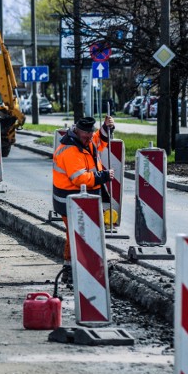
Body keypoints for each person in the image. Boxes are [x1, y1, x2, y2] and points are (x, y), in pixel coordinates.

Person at [52, 116, 115, 284]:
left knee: (81, 233)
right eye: (86, 134)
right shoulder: (70, 151)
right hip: (70, 199)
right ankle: (70, 270)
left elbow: (97, 142)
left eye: (90, 133)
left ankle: (82, 267)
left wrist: (105, 129)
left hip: (82, 198)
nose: (89, 138)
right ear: (77, 131)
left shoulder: (83, 142)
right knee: (76, 233)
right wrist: (102, 176)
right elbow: (79, 179)